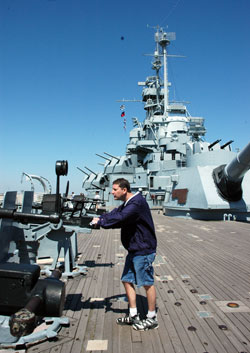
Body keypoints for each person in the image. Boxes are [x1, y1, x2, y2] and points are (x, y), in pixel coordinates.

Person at [91, 178, 158, 331]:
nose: (112, 192)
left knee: (147, 283)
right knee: (126, 280)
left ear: (124, 190)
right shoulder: (129, 203)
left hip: (144, 249)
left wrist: (101, 223)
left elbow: (120, 218)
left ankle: (152, 318)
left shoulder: (136, 204)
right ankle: (134, 315)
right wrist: (101, 218)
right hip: (134, 249)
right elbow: (116, 213)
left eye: (115, 189)